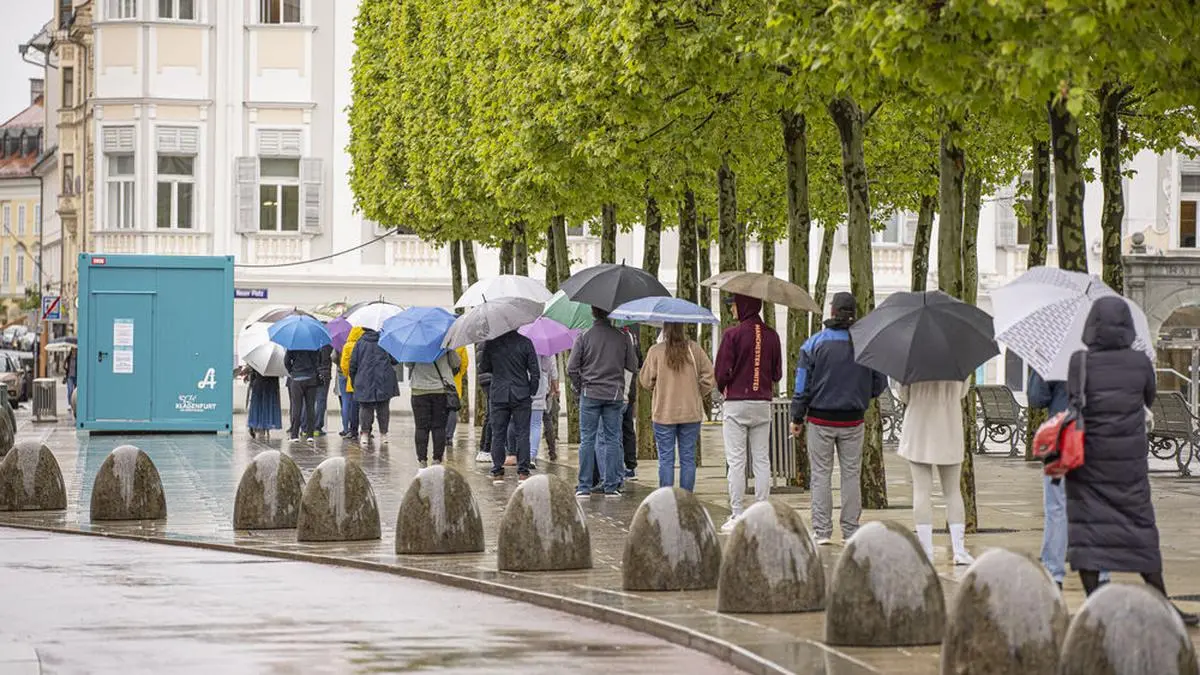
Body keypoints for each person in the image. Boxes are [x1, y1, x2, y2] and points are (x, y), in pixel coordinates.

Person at [1063, 297, 1197, 625]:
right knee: (1140, 529)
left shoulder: (1079, 362)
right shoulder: (1140, 363)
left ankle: (1095, 607)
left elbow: (1073, 402)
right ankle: (1164, 603)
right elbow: (1147, 398)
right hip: (1128, 465)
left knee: (1089, 532)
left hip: (1088, 464)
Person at [789, 292, 886, 544]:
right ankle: (851, 531)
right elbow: (879, 384)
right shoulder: (867, 344)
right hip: (853, 420)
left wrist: (797, 417)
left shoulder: (813, 344)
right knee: (850, 475)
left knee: (821, 475)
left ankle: (822, 532)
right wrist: (862, 394)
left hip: (820, 421)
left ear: (831, 312)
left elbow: (801, 386)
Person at [1028, 370, 1110, 590]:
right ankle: (1100, 573)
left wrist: (1039, 370)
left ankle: (1053, 572)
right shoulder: (1106, 353)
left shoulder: (1054, 356)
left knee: (1056, 508)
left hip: (1061, 437)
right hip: (1097, 437)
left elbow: (1037, 398)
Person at [715, 294, 783, 531]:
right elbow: (777, 374)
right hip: (762, 403)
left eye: (733, 305)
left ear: (742, 306)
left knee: (736, 461)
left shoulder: (731, 335)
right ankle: (762, 510)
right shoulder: (772, 336)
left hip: (736, 402)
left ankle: (737, 514)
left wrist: (725, 385)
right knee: (762, 459)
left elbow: (721, 372)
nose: (732, 309)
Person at [894, 379, 974, 565]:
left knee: (921, 491)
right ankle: (959, 549)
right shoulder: (959, 360)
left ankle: (926, 550)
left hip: (919, 426)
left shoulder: (912, 359)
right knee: (953, 492)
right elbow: (962, 393)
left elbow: (903, 395)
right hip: (949, 425)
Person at [570, 307, 640, 498]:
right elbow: (633, 366)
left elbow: (571, 367)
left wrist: (580, 386)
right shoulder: (623, 337)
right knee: (612, 439)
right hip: (614, 394)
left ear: (592, 313)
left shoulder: (583, 336)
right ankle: (611, 486)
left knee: (587, 439)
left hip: (590, 392)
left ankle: (584, 486)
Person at [639, 323, 715, 492]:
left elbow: (645, 380)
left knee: (666, 459)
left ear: (664, 330)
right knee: (688, 458)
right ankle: (686, 499)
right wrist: (696, 392)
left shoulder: (656, 351)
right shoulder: (694, 350)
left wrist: (658, 388)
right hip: (690, 413)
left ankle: (666, 499)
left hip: (664, 412)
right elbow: (709, 377)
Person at [480, 328, 539, 482]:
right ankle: (523, 471)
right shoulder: (526, 343)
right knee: (523, 433)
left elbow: (484, 367)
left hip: (499, 393)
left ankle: (498, 471)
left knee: (498, 434)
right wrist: (531, 390)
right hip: (521, 393)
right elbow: (535, 371)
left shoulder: (491, 344)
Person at [407, 349, 462, 467]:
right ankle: (437, 459)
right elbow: (456, 363)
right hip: (440, 390)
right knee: (439, 427)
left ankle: (422, 460)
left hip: (419, 390)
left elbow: (408, 364)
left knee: (421, 427)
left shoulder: (415, 343)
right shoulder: (445, 342)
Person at [349, 328, 399, 445]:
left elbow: (353, 364)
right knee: (383, 407)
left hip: (364, 380)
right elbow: (395, 360)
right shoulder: (385, 342)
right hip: (383, 380)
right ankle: (383, 434)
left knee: (365, 407)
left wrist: (354, 380)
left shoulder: (360, 343)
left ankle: (365, 434)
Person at [285, 348, 322, 444]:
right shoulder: (315, 345)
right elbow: (319, 361)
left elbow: (286, 361)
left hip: (297, 379)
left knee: (296, 407)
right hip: (311, 379)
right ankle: (310, 435)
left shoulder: (293, 345)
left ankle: (294, 435)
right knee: (310, 408)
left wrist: (292, 371)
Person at [529, 353, 559, 469]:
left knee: (524, 425)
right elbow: (553, 371)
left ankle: (522, 454)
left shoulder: (524, 343)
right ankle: (532, 456)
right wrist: (555, 388)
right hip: (541, 389)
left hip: (524, 388)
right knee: (536, 425)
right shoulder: (547, 350)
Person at [621, 325, 642, 481]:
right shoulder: (633, 336)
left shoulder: (620, 336)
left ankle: (625, 465)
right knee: (628, 427)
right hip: (629, 389)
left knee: (616, 429)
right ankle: (630, 465)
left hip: (619, 389)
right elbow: (638, 362)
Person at [338, 327, 363, 439]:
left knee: (349, 404)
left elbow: (343, 364)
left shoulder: (347, 346)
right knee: (363, 406)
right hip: (363, 379)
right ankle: (365, 429)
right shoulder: (362, 345)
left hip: (350, 379)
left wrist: (348, 374)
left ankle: (350, 429)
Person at [245, 366, 282, 440]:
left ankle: (256, 424)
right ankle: (265, 425)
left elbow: (251, 371)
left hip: (259, 382)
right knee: (268, 404)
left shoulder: (257, 358)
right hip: (271, 383)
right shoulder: (275, 360)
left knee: (258, 405)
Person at [445, 346, 469, 445]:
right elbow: (465, 363)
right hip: (454, 384)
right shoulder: (460, 345)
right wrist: (458, 375)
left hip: (439, 383)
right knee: (452, 409)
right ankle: (449, 436)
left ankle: (440, 434)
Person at [475, 341, 493, 464]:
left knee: (489, 413)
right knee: (491, 414)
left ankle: (485, 447)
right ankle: (485, 448)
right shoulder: (490, 342)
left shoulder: (482, 342)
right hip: (491, 379)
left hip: (485, 379)